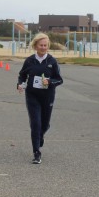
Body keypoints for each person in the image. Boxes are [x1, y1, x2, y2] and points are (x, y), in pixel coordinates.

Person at [16, 32, 63, 164]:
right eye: (41, 45)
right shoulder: (29, 61)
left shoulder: (52, 61)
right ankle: (36, 152)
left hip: (47, 97)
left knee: (44, 124)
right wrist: (20, 84)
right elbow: (22, 75)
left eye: (45, 45)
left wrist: (50, 82)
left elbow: (59, 79)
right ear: (35, 46)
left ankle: (40, 135)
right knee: (35, 124)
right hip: (32, 96)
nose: (43, 47)